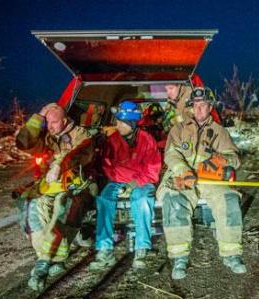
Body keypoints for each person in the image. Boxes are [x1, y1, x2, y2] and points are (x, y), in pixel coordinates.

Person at [157, 87, 246, 280]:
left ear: (210, 107)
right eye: (195, 105)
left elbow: (235, 158)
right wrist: (184, 171)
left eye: (203, 105)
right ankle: (180, 258)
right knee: (174, 201)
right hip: (183, 177)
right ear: (190, 107)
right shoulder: (178, 129)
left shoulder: (219, 131)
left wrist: (223, 160)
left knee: (229, 199)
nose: (199, 109)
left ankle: (231, 254)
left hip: (209, 179)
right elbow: (171, 155)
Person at [15, 103, 94, 290]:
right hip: (49, 187)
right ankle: (50, 257)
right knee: (31, 207)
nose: (49, 127)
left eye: (54, 122)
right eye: (47, 123)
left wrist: (61, 164)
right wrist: (39, 117)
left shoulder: (82, 134)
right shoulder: (47, 138)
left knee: (63, 208)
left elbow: (81, 153)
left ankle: (43, 263)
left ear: (65, 121)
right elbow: (23, 142)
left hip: (79, 185)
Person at [89, 101, 162, 271]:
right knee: (104, 199)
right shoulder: (112, 140)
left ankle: (141, 248)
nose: (117, 125)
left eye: (121, 122)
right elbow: (107, 166)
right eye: (117, 121)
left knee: (142, 200)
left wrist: (133, 183)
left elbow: (152, 170)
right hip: (117, 181)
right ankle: (104, 249)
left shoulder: (146, 140)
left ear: (131, 123)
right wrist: (122, 182)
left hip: (142, 182)